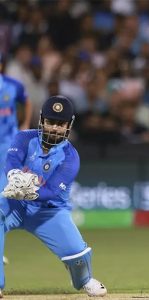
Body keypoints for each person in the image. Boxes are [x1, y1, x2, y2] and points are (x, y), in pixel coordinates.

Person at [0, 95, 107, 297]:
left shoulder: (70, 157)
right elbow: (12, 159)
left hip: (48, 212)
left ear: (69, 125)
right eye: (50, 122)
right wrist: (13, 175)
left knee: (78, 256)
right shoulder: (24, 137)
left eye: (60, 124)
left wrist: (29, 191)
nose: (54, 128)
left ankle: (84, 280)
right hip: (15, 204)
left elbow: (51, 192)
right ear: (42, 120)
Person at [0, 53, 33, 267]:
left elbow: (27, 101)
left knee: (4, 198)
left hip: (6, 146)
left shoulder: (13, 86)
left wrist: (25, 123)